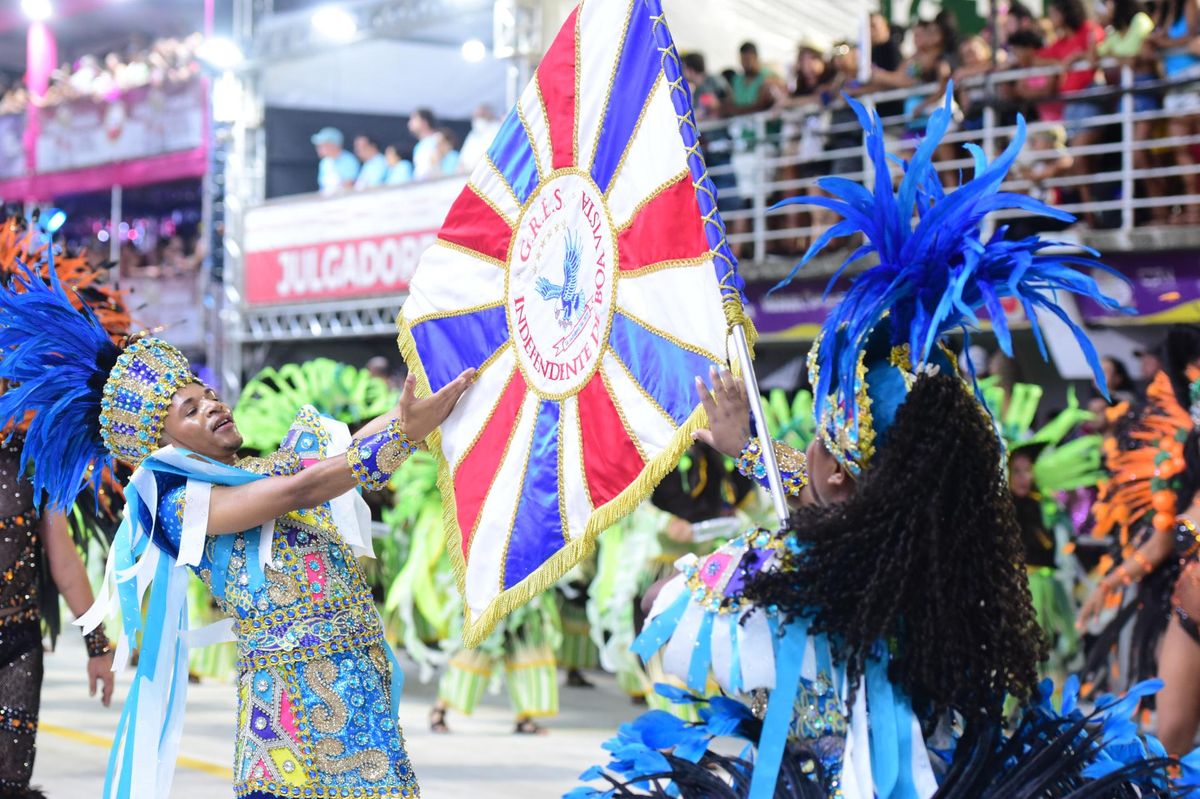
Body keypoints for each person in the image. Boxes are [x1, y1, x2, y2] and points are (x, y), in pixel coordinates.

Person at [572, 93, 1187, 799]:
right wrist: (754, 453)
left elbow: (661, 622)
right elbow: (860, 515)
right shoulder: (966, 575)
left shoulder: (764, 589)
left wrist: (755, 481)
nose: (799, 453)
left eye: (813, 443)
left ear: (832, 471)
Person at [0, 238, 475, 798]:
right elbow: (303, 488)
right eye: (192, 410)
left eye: (208, 395)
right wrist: (403, 433)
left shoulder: (265, 467)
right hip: (293, 709)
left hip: (359, 688)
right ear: (164, 440)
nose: (214, 406)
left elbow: (343, 449)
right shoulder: (179, 506)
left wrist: (405, 416)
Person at [0, 221, 117, 798]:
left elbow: (64, 561)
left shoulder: (28, 460)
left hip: (16, 647)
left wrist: (99, 645)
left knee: (11, 783)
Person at [1079, 325, 1200, 756]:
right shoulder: (1188, 487)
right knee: (1170, 743)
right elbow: (1162, 541)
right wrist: (1111, 583)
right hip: (1189, 618)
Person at [1148, 0, 1200, 224]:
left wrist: (1164, 44)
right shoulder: (1164, 10)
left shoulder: (1189, 3)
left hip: (1193, 78)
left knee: (1195, 148)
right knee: (1181, 150)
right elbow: (1150, 44)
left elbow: (1192, 40)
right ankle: (1193, 210)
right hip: (1173, 82)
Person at [310, 126, 359, 194]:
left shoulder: (349, 160)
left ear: (332, 145)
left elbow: (349, 185)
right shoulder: (324, 163)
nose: (318, 149)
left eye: (322, 145)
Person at [457, 104, 500, 173]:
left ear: (489, 115)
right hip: (468, 173)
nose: (478, 118)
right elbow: (462, 157)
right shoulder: (473, 134)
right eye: (476, 116)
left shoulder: (496, 129)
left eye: (482, 115)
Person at [408, 108, 441, 180]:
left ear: (424, 122)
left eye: (414, 119)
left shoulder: (438, 139)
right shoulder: (418, 146)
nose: (410, 123)